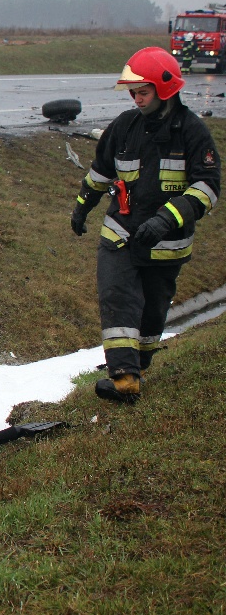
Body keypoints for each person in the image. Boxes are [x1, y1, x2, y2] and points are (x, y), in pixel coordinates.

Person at [70, 46, 220, 404]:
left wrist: (166, 219)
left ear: (165, 89)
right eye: (132, 93)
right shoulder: (124, 128)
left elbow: (208, 188)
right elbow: (100, 174)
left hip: (166, 246)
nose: (136, 99)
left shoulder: (193, 134)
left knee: (153, 313)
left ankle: (138, 363)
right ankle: (123, 378)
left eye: (143, 92)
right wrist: (81, 208)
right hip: (119, 236)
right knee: (118, 299)